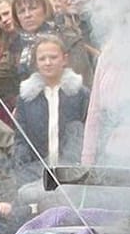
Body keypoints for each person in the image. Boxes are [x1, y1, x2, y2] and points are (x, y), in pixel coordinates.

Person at [13, 36, 90, 185]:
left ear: (64, 59)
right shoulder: (26, 98)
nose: (48, 63)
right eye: (42, 59)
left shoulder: (80, 94)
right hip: (36, 176)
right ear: (36, 63)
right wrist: (23, 169)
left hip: (74, 175)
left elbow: (87, 133)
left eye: (53, 57)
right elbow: (20, 139)